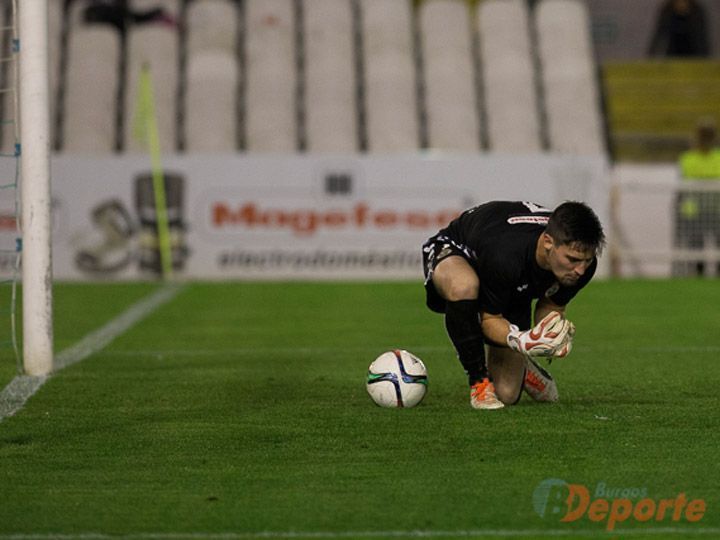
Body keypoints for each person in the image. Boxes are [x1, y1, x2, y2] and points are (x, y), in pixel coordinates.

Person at [422, 200, 605, 410]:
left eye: (587, 261)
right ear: (548, 243)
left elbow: (552, 304)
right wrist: (521, 340)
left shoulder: (583, 266)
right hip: (454, 249)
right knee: (463, 286)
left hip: (512, 283)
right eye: (572, 260)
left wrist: (548, 336)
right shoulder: (506, 255)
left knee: (506, 394)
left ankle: (525, 368)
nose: (580, 270)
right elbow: (489, 320)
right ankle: (479, 382)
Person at [674, 119, 720, 276]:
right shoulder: (688, 158)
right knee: (696, 248)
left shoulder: (690, 158)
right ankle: (699, 274)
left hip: (715, 211)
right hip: (694, 213)